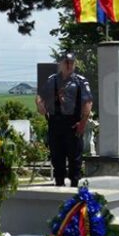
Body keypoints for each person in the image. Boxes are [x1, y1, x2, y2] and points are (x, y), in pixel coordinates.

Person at [36, 51, 93, 187]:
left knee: (74, 159)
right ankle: (59, 185)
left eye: (71, 62)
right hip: (55, 123)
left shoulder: (80, 81)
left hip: (73, 124)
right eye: (66, 62)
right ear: (60, 63)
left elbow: (88, 102)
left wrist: (83, 123)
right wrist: (40, 105)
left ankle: (74, 186)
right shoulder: (52, 80)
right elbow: (40, 95)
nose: (69, 65)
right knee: (57, 158)